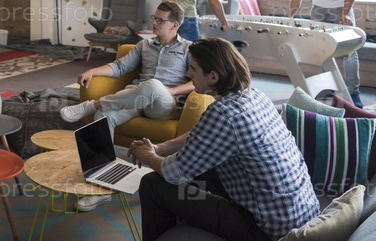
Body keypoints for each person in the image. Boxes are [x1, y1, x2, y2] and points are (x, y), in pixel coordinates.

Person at [128, 38, 319, 241]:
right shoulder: (255, 96)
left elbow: (171, 173)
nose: (188, 74)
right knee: (200, 162)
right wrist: (159, 148)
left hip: (267, 231)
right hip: (299, 215)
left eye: (193, 68)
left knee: (152, 184)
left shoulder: (223, 113)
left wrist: (147, 155)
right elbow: (204, 137)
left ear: (213, 76)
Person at [60, 1, 194, 211]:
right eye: (154, 18)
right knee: (103, 116)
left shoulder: (189, 48)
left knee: (153, 85)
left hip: (164, 105)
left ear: (174, 25)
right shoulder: (144, 45)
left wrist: (173, 91)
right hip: (137, 100)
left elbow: (197, 81)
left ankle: (93, 104)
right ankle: (100, 187)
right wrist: (92, 71)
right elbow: (120, 66)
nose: (154, 22)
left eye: (160, 20)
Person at [289, 0, 362, 107]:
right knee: (322, 51)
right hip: (319, 11)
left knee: (350, 52)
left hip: (340, 9)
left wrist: (345, 13)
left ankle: (353, 93)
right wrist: (291, 16)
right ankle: (329, 89)